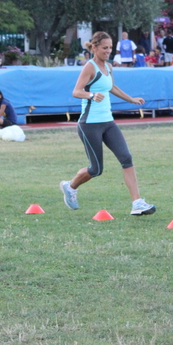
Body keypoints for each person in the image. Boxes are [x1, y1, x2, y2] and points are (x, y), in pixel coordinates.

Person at [60, 31, 156, 216]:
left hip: (108, 123)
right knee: (96, 169)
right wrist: (91, 95)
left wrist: (131, 99)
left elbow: (111, 87)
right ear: (94, 48)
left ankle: (137, 203)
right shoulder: (89, 67)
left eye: (110, 48)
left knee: (126, 158)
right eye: (105, 48)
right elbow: (76, 91)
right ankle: (70, 186)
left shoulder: (109, 67)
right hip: (89, 124)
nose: (108, 51)